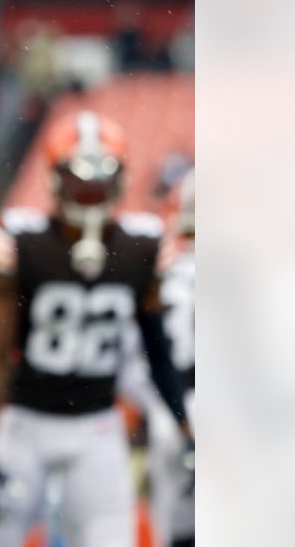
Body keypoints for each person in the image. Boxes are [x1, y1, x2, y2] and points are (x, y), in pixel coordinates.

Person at [0, 112, 192, 547]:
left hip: (97, 424)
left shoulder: (142, 246)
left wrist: (187, 432)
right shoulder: (21, 241)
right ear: (55, 178)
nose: (91, 188)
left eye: (104, 174)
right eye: (79, 175)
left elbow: (158, 350)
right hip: (24, 423)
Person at [125, 170, 195, 547]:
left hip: (171, 408)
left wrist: (158, 405)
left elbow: (130, 360)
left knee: (175, 529)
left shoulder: (163, 273)